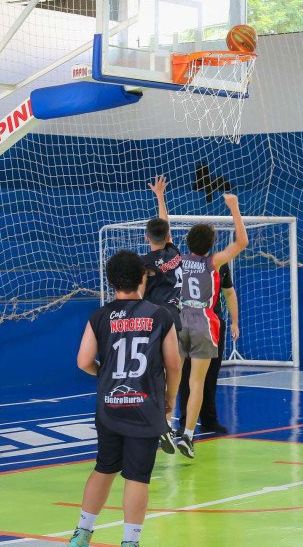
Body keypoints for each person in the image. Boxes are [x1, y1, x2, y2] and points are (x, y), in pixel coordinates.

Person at [66, 250, 181, 547]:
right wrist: (169, 398)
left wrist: (104, 373)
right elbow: (174, 364)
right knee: (138, 476)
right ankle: (130, 542)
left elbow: (83, 361)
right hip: (146, 407)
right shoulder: (160, 315)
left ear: (111, 281)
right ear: (143, 278)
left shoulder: (100, 316)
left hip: (110, 407)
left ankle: (82, 532)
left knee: (104, 467)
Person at [175, 193, 247, 458]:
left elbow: (164, 232)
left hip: (180, 319)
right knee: (197, 382)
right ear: (211, 245)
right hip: (203, 322)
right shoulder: (213, 262)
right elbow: (242, 242)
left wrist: (160, 196)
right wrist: (234, 208)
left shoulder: (177, 261)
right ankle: (187, 435)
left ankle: (164, 427)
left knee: (174, 378)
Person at [139, 174, 183, 452]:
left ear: (146, 237)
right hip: (175, 317)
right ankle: (166, 420)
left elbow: (140, 292)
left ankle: (155, 423)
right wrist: (160, 196)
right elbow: (165, 224)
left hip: (153, 318)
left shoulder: (145, 263)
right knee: (171, 369)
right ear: (168, 237)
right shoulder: (174, 251)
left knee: (152, 371)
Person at [178, 261, 237, 435]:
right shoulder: (182, 263)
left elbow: (229, 292)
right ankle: (186, 422)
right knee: (188, 375)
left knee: (210, 374)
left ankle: (209, 420)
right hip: (190, 323)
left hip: (213, 324)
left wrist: (235, 322)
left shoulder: (220, 264)